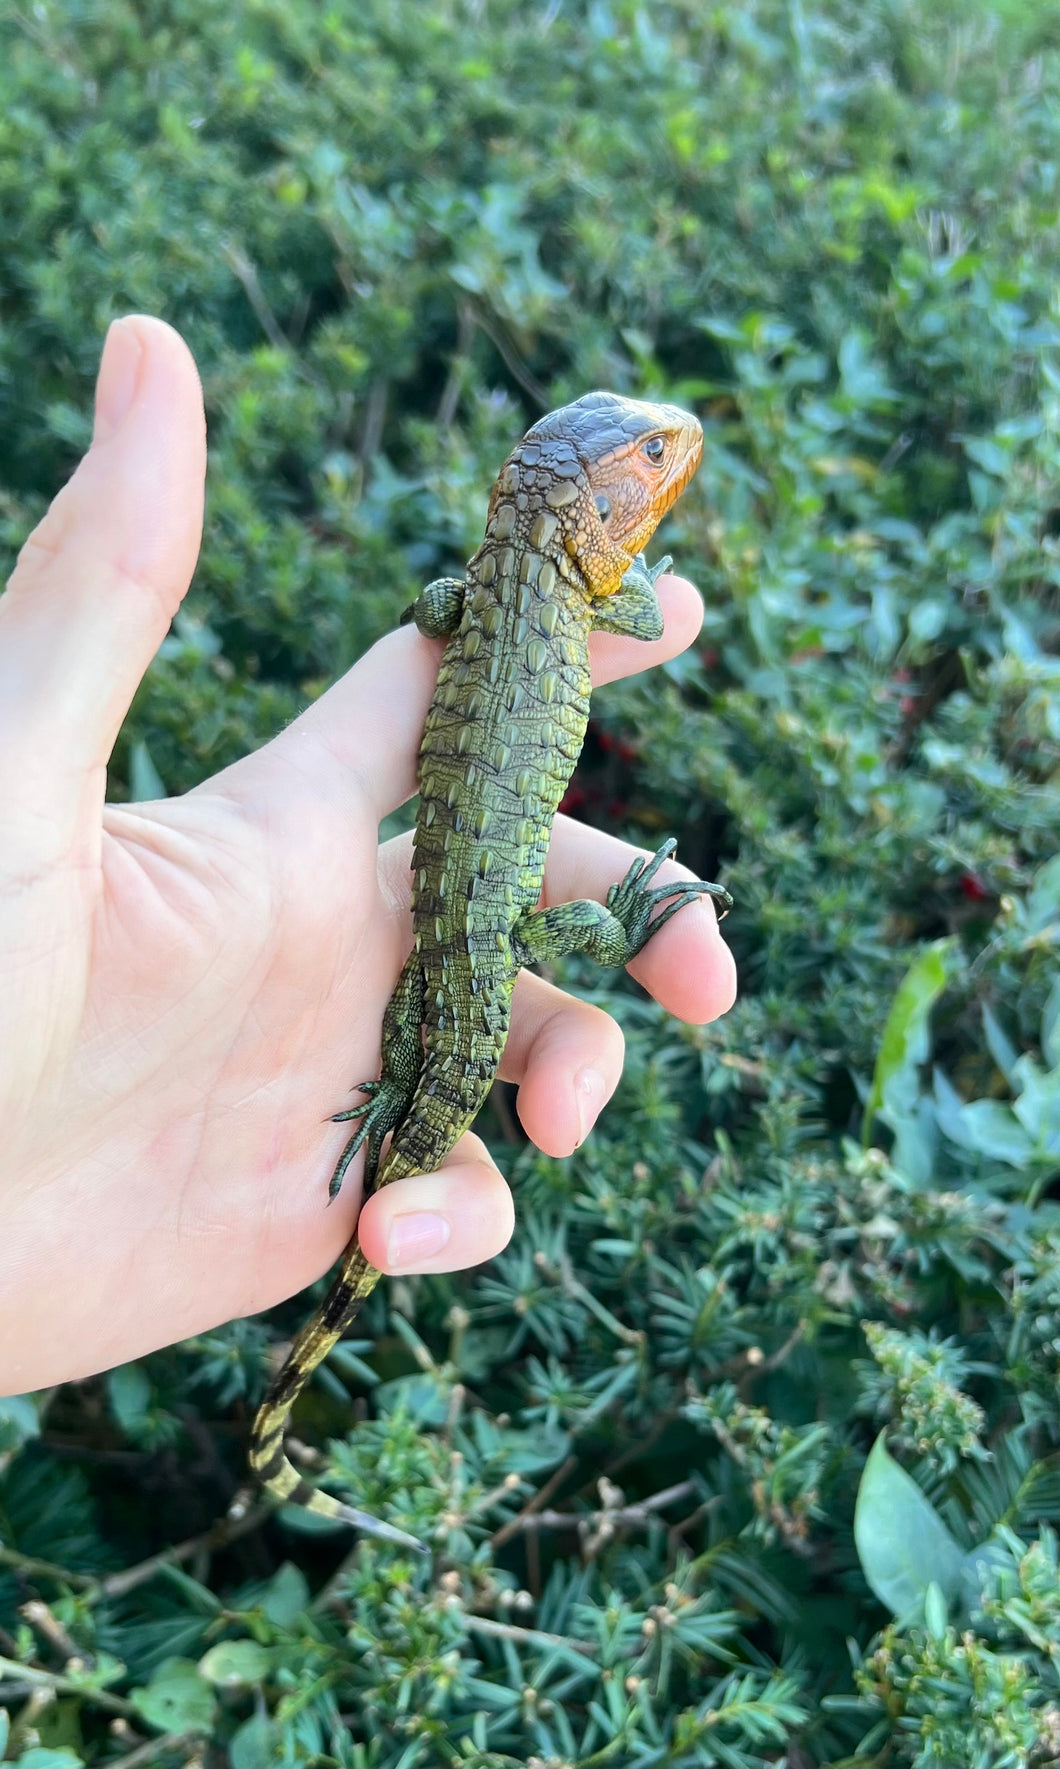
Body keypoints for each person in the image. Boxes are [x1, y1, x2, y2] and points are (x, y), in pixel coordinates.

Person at [0, 316, 737, 1396]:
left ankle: (330, 1293)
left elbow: (434, 606)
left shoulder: (472, 595)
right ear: (589, 512)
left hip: (457, 910)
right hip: (472, 928)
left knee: (454, 1008)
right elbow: (627, 599)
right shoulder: (601, 597)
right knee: (486, 1001)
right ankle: (318, 1321)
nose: (669, 450)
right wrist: (622, 904)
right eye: (651, 458)